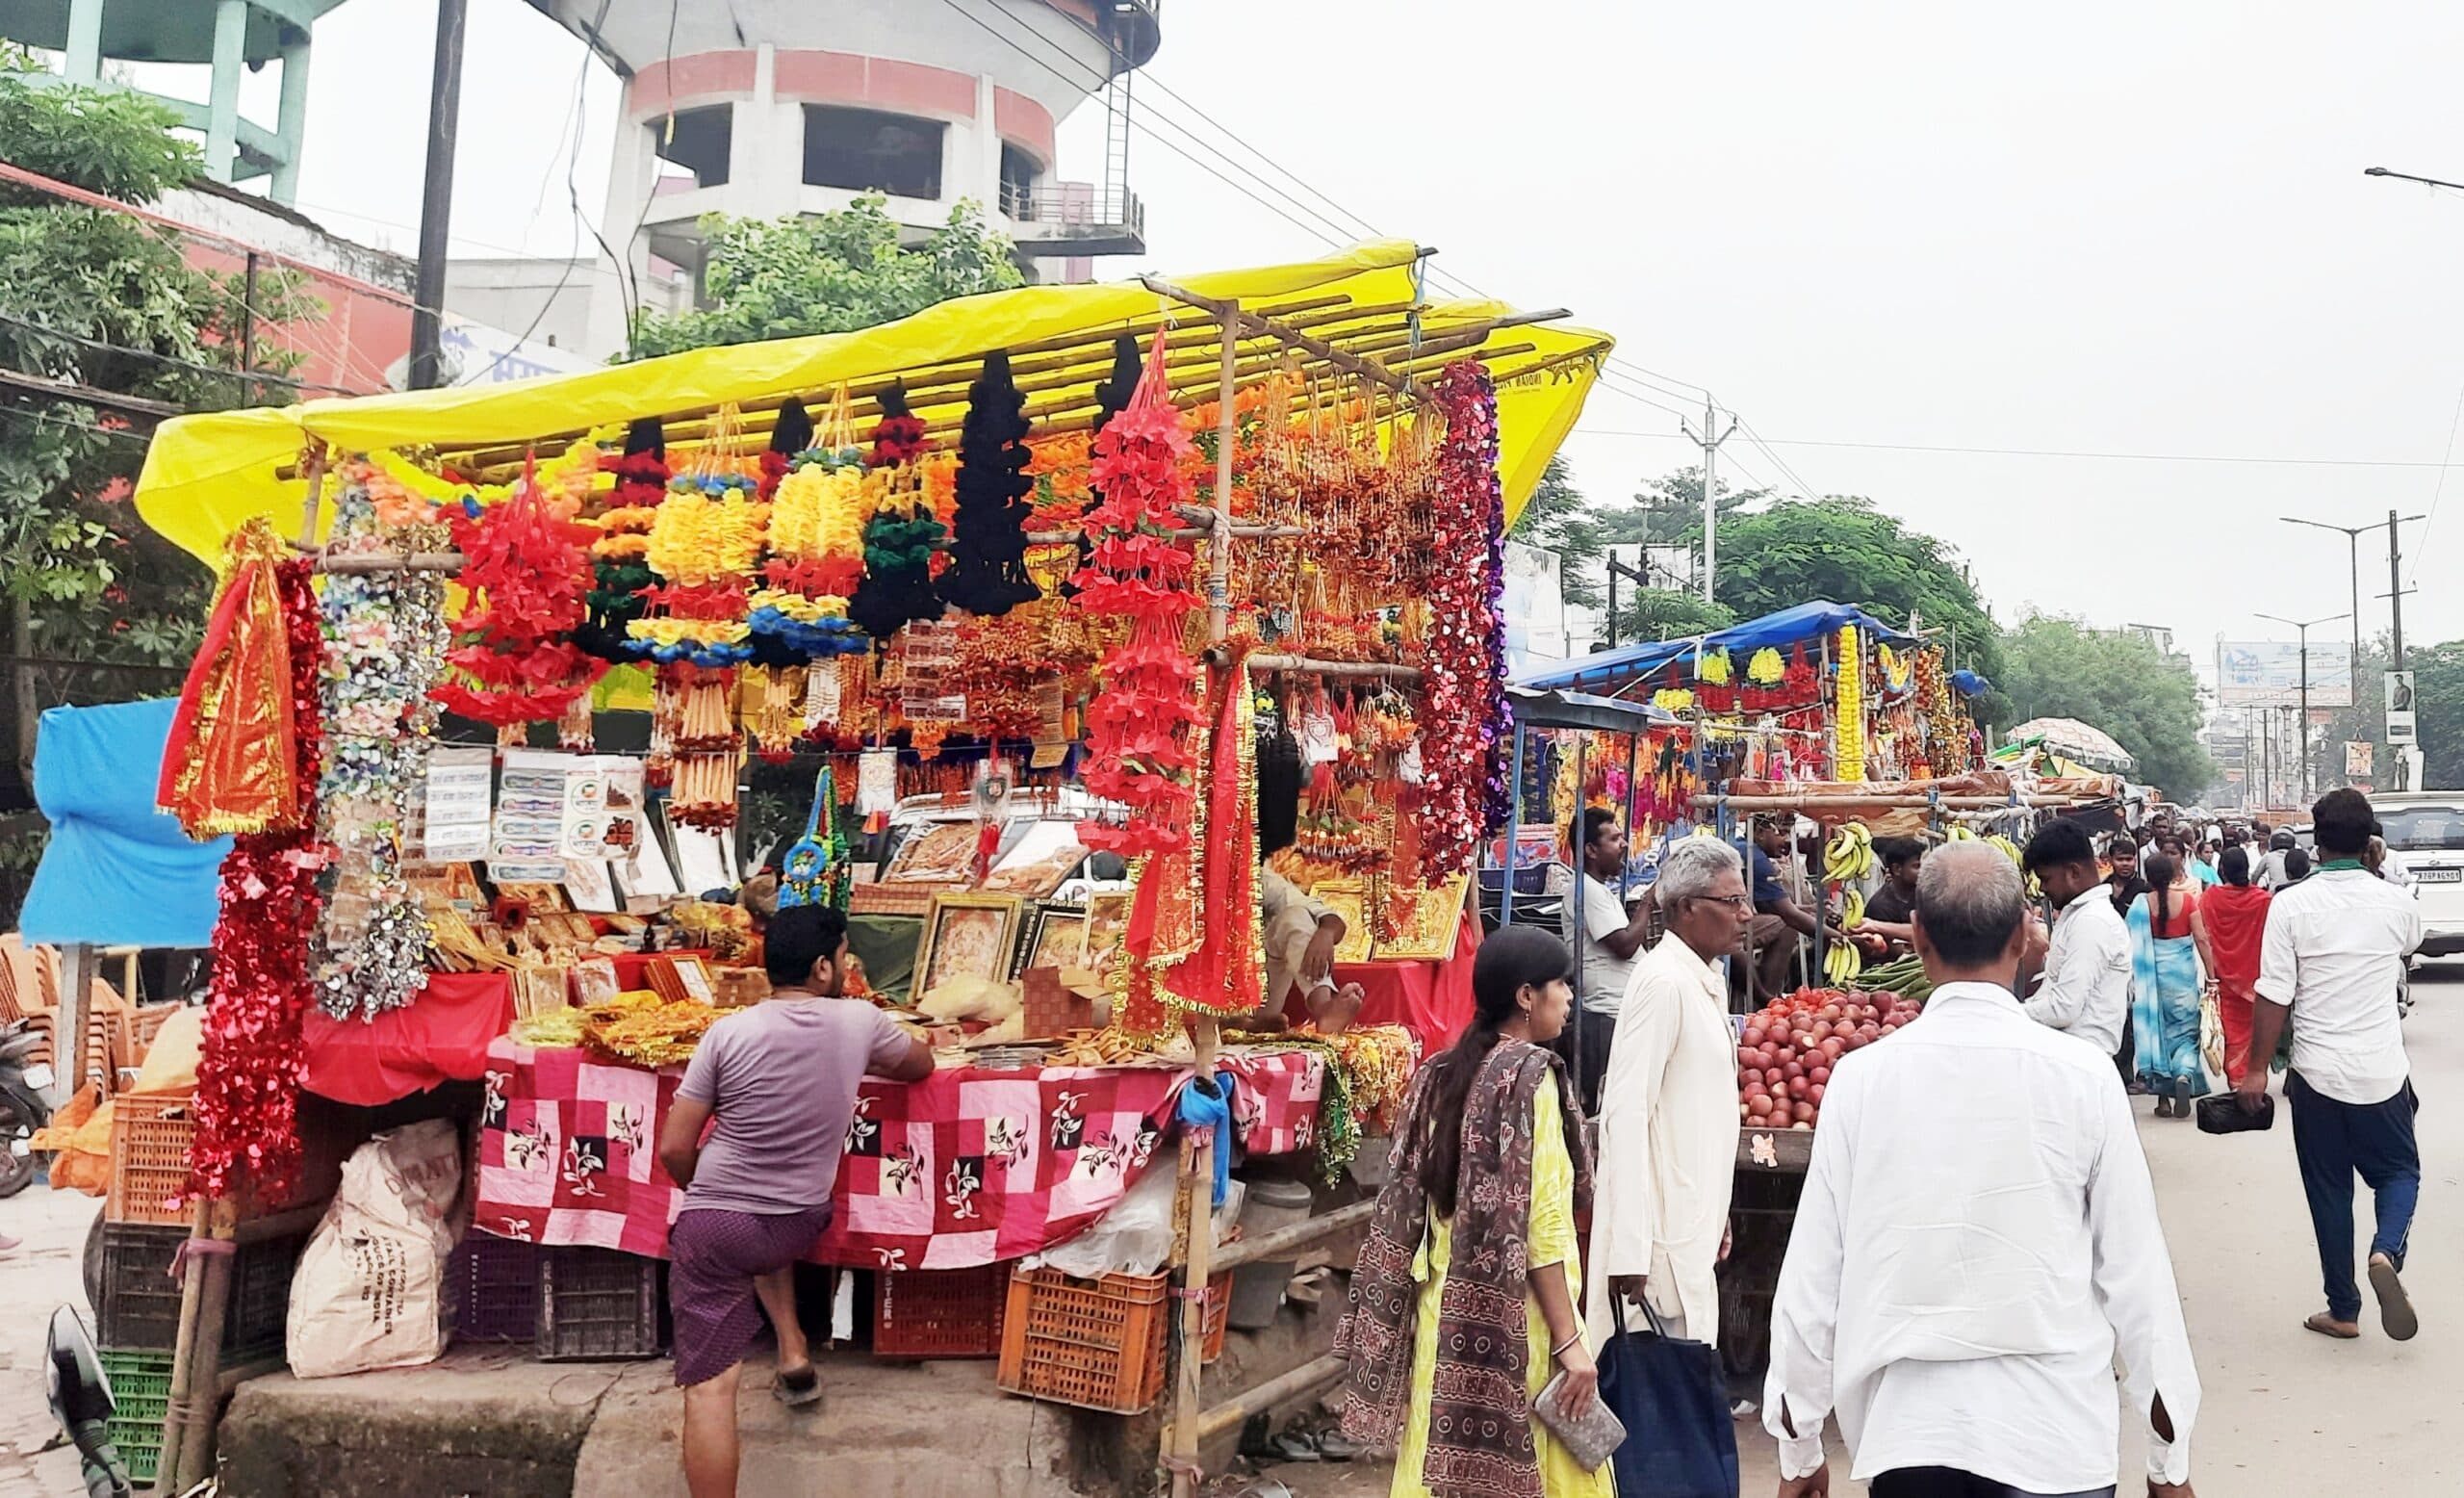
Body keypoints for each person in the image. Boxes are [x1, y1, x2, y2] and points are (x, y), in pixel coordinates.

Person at [1765, 841, 2201, 1498]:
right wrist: (2169, 1458)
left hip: (1910, 1436)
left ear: (1916, 937)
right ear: (2026, 936)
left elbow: (1814, 1276)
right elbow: (2136, 1274)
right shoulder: (2084, 1078)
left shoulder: (1860, 1081)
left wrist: (1798, 1444)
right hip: (2056, 1434)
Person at [656, 904, 937, 1498]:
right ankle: (793, 1351)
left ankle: (789, 1347)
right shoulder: (859, 1021)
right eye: (842, 958)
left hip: (718, 1221)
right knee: (758, 1240)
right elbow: (921, 1065)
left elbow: (674, 1147)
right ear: (821, 968)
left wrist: (704, 1199)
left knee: (710, 1389)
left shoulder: (727, 1032)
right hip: (797, 1221)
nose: (844, 967)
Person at [1335, 925, 1608, 1498]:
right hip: (1519, 1321)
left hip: (1445, 1314)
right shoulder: (1532, 1080)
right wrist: (1569, 1341)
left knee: (1438, 1465)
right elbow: (1541, 1227)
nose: (1569, 1000)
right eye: (1562, 985)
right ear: (1526, 997)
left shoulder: (1438, 1074)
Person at [2238, 787, 2426, 1343]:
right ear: (2371, 843)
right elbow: (2409, 943)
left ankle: (2343, 1310)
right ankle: (2385, 1251)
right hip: (2381, 1071)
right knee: (2399, 1173)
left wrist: (2256, 1071)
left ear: (2316, 844)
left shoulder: (2290, 905)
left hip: (2316, 1075)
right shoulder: (2396, 903)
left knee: (2329, 1191)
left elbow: (2274, 994)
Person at [1587, 838, 1750, 1350]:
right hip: (1659, 1245)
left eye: (1744, 901)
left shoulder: (1700, 979)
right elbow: (1624, 1114)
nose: (1745, 915)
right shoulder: (1662, 984)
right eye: (1731, 903)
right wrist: (1630, 1250)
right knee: (1657, 1393)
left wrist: (1718, 1210)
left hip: (1690, 1221)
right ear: (1685, 909)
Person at [1565, 808, 1657, 1112]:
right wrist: (1647, 902)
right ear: (1591, 849)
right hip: (1605, 1015)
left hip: (1618, 1011)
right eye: (1615, 839)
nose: (1624, 845)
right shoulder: (1585, 890)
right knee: (1609, 1110)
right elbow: (1625, 945)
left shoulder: (1598, 891)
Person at [2017, 819, 2134, 1060]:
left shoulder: (2093, 921)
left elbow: (2064, 1008)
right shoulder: (2079, 916)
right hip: (2069, 1057)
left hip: (2081, 1060)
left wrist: (2005, 1014)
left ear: (2073, 872)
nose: (2042, 889)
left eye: (2046, 879)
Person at [2126, 855, 2216, 1118]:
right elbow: (2201, 938)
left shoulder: (2139, 906)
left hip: (2152, 986)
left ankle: (2163, 1101)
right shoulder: (2188, 901)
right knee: (2187, 1035)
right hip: (2183, 981)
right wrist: (2212, 977)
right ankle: (2185, 1074)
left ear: (2147, 877)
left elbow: (2128, 944)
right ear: (2175, 874)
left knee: (2158, 1037)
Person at [1738, 815, 1841, 1002]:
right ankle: (1768, 1000)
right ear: (1760, 833)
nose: (1786, 840)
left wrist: (1811, 909)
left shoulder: (1746, 849)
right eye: (1782, 833)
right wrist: (1839, 937)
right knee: (1787, 927)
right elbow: (1788, 915)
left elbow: (1771, 906)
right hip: (1728, 927)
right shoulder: (1756, 858)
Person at [2199, 847, 2272, 1087]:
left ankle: (2237, 1079)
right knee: (2254, 1031)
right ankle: (2250, 1076)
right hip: (2256, 977)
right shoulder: (2263, 900)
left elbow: (2204, 935)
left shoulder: (2210, 898)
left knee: (2231, 1030)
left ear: (2222, 870)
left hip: (2223, 978)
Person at [1852, 837, 1924, 953]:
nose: (1922, 871)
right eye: (1916, 866)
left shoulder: (1922, 894)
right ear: (1897, 869)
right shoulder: (1880, 905)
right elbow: (1894, 949)